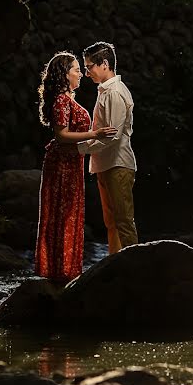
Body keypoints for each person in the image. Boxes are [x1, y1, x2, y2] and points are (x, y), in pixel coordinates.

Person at [34, 51, 116, 282]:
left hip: (71, 161)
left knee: (69, 212)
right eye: (76, 70)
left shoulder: (67, 99)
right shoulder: (61, 100)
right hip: (62, 163)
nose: (81, 74)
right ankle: (60, 270)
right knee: (63, 211)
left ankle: (66, 268)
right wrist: (95, 133)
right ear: (65, 74)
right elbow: (61, 135)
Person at [78, 41, 138, 254]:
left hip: (118, 164)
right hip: (107, 164)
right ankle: (117, 264)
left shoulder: (114, 92)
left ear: (104, 64)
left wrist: (80, 149)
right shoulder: (105, 91)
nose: (87, 73)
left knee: (122, 221)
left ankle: (133, 266)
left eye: (89, 67)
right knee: (112, 222)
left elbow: (113, 135)